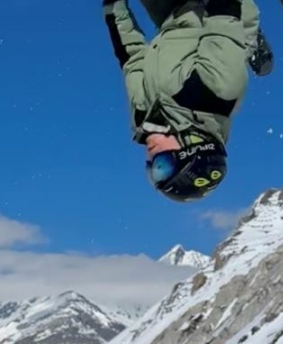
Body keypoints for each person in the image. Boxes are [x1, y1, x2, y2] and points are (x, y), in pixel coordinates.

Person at [103, 0, 261, 203]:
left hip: (171, 18)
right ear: (193, 148)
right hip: (215, 14)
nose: (150, 159)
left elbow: (130, 55)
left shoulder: (144, 116)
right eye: (162, 165)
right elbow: (224, 13)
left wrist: (112, 7)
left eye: (152, 170)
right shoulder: (214, 92)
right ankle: (253, 40)